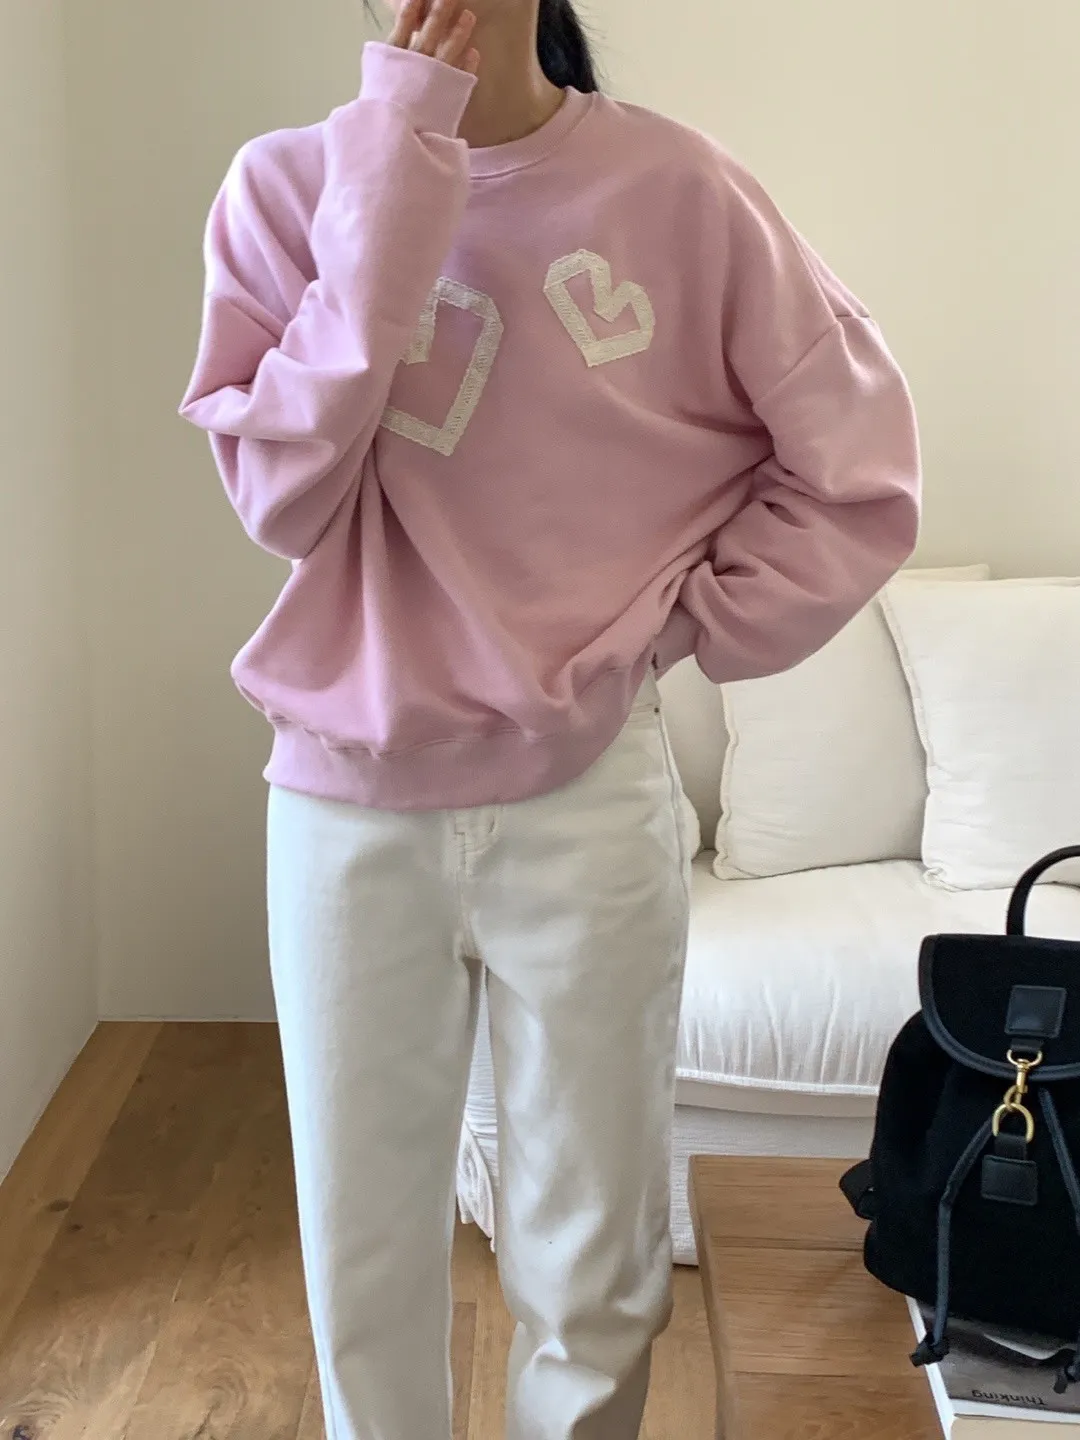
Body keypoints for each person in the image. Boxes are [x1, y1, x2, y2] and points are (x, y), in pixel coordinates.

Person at [180, 0, 921, 1435]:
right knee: (362, 1262)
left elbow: (859, 467)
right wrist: (398, 155)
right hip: (342, 804)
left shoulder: (677, 188)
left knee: (596, 1266)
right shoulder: (287, 186)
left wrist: (684, 627)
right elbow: (284, 498)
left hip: (587, 795)